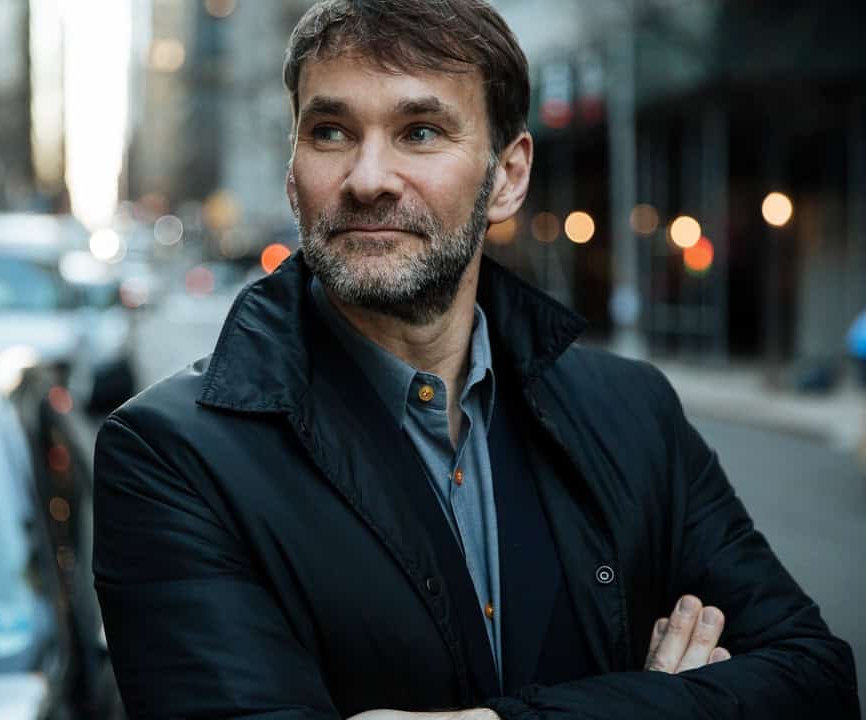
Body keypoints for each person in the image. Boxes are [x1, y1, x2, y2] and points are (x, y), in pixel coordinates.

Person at [93, 1, 859, 717]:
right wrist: (653, 698)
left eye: (420, 131)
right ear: (294, 171)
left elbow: (818, 681)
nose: (367, 178)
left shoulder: (635, 412)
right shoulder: (171, 456)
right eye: (331, 132)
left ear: (509, 175)